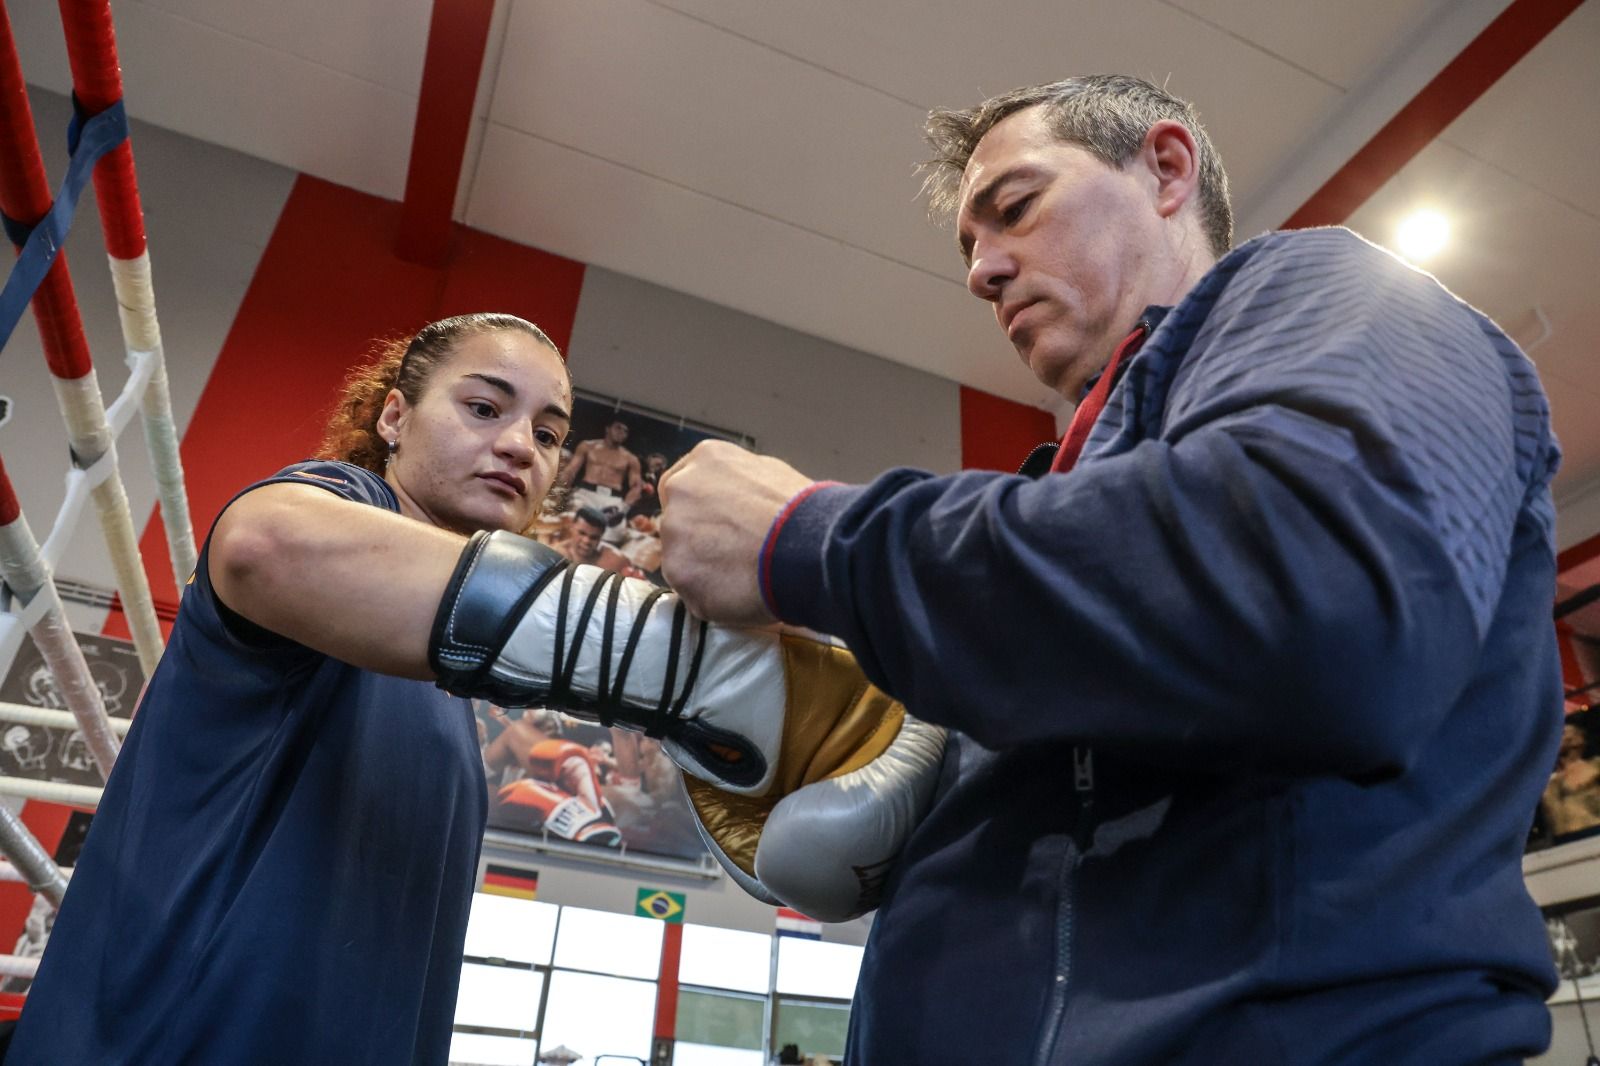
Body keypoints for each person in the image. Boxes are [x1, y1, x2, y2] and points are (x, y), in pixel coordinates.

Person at [655, 75, 1565, 1063]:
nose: (981, 271)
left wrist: (813, 537)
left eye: (1014, 208)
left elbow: (1314, 604)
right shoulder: (1064, 509)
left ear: (1166, 168)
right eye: (968, 246)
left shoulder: (1339, 294)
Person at [6, 313, 573, 1064]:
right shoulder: (345, 502)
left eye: (549, 434)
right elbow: (259, 541)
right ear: (394, 415)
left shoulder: (437, 666)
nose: (518, 445)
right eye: (483, 408)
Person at [561, 416, 642, 521]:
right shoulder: (587, 446)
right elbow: (571, 470)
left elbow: (636, 486)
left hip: (612, 500)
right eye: (618, 428)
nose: (621, 432)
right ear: (608, 429)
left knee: (609, 534)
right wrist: (561, 492)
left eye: (625, 431)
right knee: (573, 525)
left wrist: (624, 507)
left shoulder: (631, 459)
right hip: (585, 495)